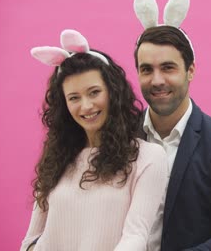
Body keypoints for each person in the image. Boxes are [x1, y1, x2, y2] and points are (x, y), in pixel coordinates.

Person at [20, 29, 168, 251]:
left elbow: (136, 236)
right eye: (74, 98)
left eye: (94, 92)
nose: (86, 106)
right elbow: (30, 241)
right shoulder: (56, 159)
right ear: (64, 105)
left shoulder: (148, 157)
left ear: (113, 92)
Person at [133, 0, 211, 250]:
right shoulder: (120, 134)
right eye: (147, 70)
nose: (157, 80)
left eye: (168, 67)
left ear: (190, 71)